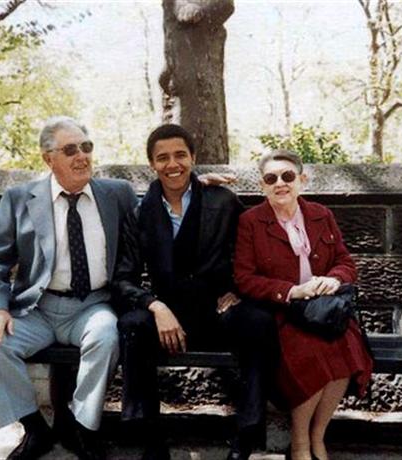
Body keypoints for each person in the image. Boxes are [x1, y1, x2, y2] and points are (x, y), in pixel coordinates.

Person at [0, 116, 138, 460]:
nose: (82, 156)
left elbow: (160, 208)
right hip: (39, 308)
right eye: (70, 150)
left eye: (86, 147)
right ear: (49, 158)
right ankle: (34, 428)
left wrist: (196, 185)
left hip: (93, 305)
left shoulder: (117, 194)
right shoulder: (20, 198)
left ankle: (83, 428)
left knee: (106, 336)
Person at [112, 124, 279, 460]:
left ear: (193, 157)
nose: (172, 164)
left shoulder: (222, 201)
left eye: (180, 155)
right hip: (169, 318)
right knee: (131, 326)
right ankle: (151, 440)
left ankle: (246, 435)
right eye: (162, 158)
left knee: (259, 322)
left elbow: (253, 252)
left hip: (218, 311)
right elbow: (123, 279)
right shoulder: (140, 213)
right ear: (152, 164)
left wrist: (238, 291)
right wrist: (155, 306)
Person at [233, 150, 373, 460]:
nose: (280, 183)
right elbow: (244, 279)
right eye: (271, 178)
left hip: (325, 311)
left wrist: (334, 279)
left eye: (287, 176)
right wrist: (292, 291)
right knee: (311, 353)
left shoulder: (322, 215)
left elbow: (345, 262)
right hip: (283, 313)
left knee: (346, 347)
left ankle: (317, 436)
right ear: (262, 186)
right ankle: (299, 444)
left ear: (302, 180)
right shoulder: (250, 222)